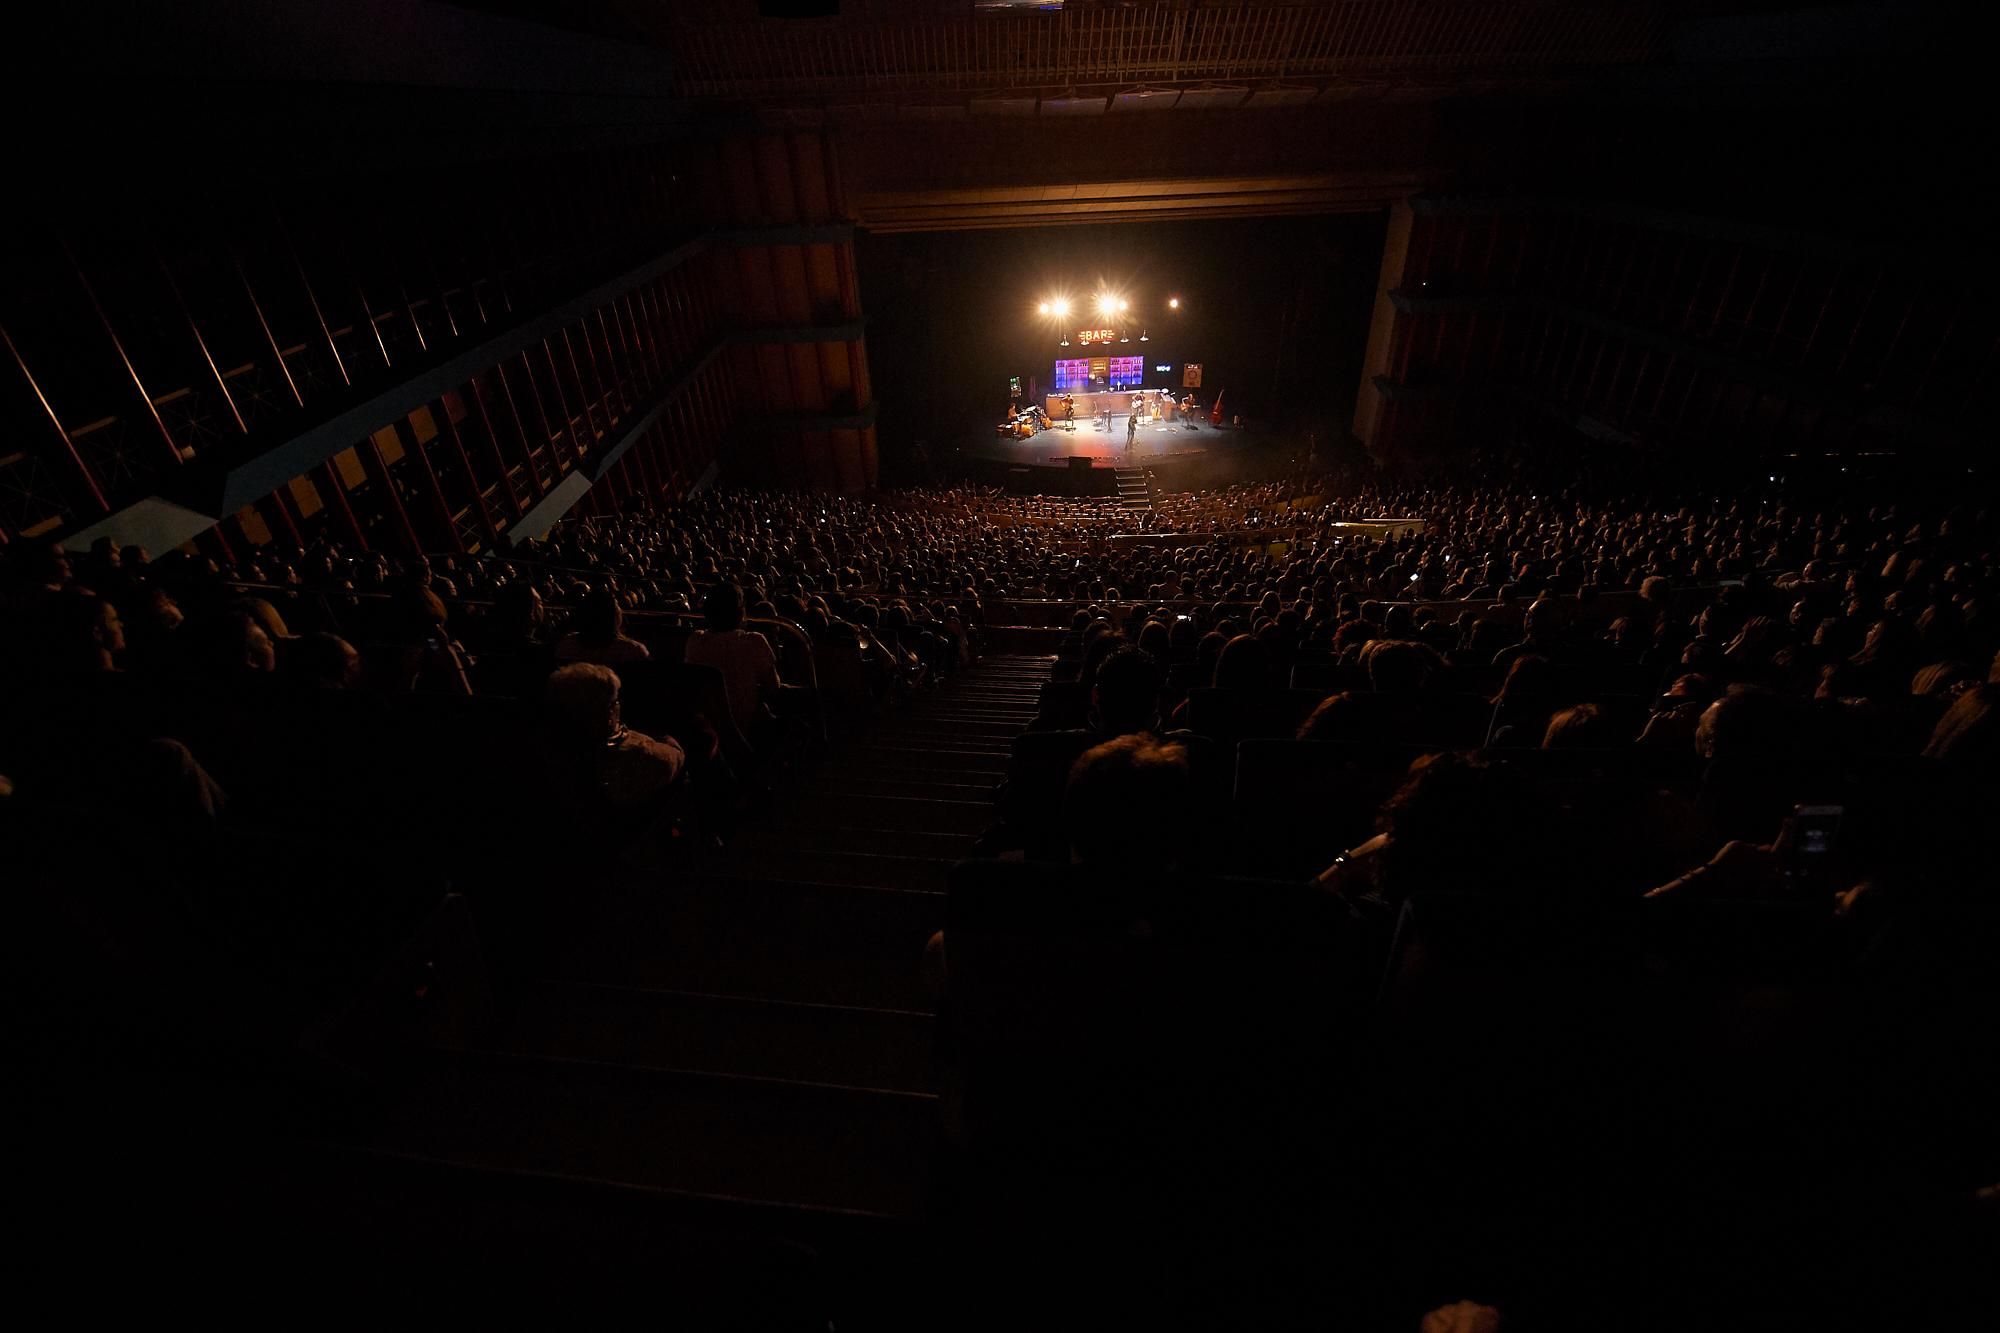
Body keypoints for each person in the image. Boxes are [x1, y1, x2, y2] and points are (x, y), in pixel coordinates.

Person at [684, 581, 781, 736]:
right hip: (745, 728)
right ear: (741, 613)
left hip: (706, 730)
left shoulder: (695, 641)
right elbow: (774, 688)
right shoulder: (754, 642)